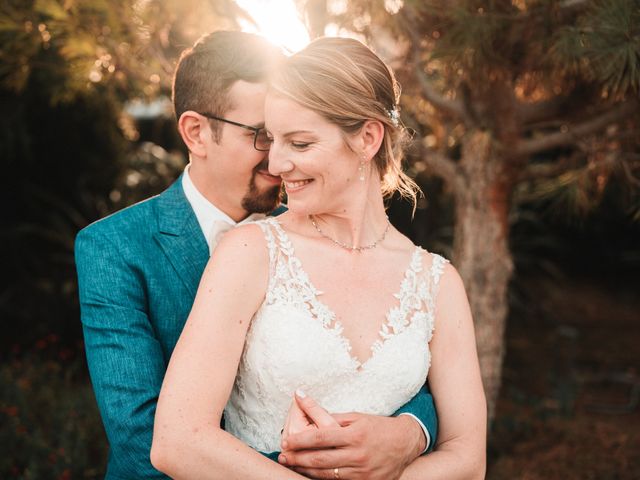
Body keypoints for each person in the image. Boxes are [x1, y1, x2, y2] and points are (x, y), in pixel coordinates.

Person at [75, 31, 438, 479]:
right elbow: (143, 442)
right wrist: (317, 467)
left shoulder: (317, 233)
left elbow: (390, 361)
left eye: (295, 137)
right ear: (196, 132)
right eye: (264, 136)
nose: (280, 160)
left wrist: (410, 432)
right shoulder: (115, 249)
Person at [151, 36, 486, 480]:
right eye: (272, 141)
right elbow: (178, 440)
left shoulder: (438, 282)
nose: (277, 163)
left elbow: (468, 457)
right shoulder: (251, 252)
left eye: (300, 143)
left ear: (367, 138)